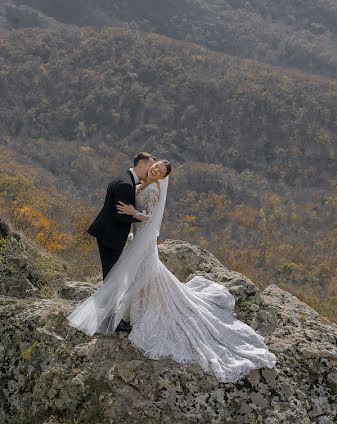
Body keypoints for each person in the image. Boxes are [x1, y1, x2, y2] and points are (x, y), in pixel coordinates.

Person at [69, 159, 277, 383]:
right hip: (138, 239)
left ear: (162, 177)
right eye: (155, 165)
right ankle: (136, 308)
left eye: (159, 170)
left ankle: (144, 309)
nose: (155, 169)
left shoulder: (153, 189)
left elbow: (150, 217)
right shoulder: (141, 184)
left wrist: (133, 212)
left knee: (145, 274)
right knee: (142, 276)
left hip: (144, 241)